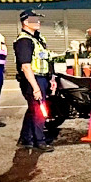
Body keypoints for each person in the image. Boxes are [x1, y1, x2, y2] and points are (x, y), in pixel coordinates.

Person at [13, 9, 55, 152]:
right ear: (25, 22)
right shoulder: (24, 41)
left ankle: (26, 138)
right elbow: (25, 66)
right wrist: (35, 87)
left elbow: (47, 59)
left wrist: (52, 78)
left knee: (33, 110)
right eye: (34, 19)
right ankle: (39, 141)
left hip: (42, 78)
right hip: (32, 79)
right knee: (39, 110)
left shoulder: (38, 38)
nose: (38, 22)